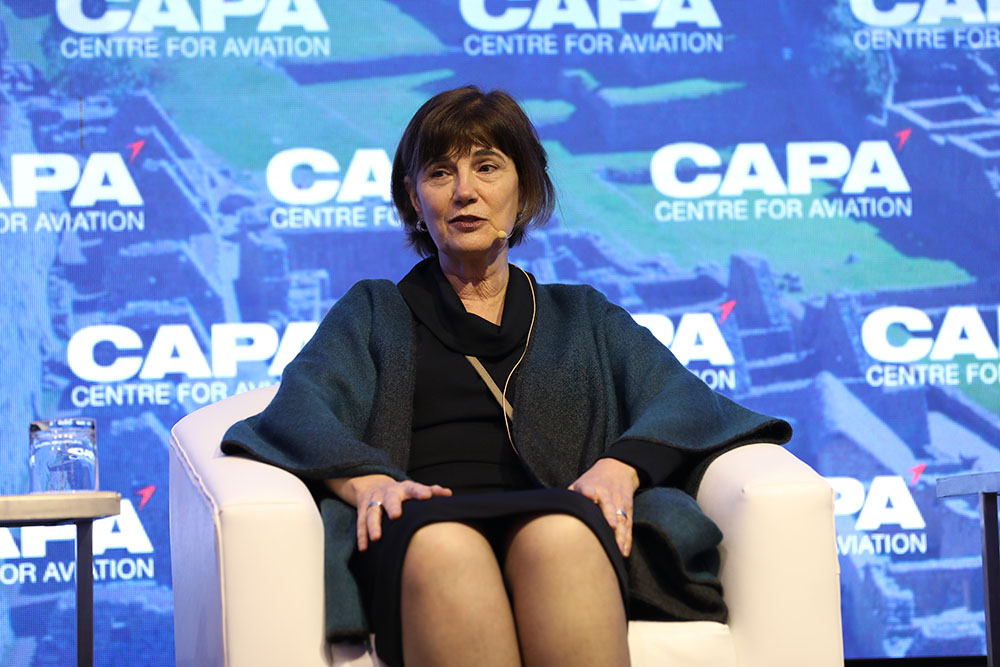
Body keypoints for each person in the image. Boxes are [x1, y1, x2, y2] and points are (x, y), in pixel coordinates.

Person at [222, 86, 791, 667]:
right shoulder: (373, 310)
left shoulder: (581, 315)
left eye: (487, 167)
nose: (464, 191)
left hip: (557, 514)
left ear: (525, 191)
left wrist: (621, 467)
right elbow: (299, 409)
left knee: (561, 535)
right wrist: (365, 482)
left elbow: (684, 399)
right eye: (440, 173)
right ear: (415, 199)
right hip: (421, 526)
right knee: (448, 548)